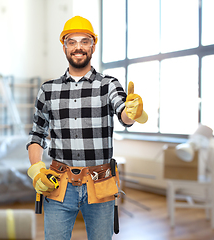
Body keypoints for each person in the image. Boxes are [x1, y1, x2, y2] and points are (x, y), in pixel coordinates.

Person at [26, 16, 148, 240]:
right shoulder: (48, 90)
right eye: (72, 42)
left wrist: (133, 113)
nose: (78, 47)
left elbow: (124, 114)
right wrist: (36, 170)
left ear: (93, 45)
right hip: (58, 184)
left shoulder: (108, 85)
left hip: (100, 184)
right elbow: (37, 135)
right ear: (64, 47)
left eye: (85, 41)